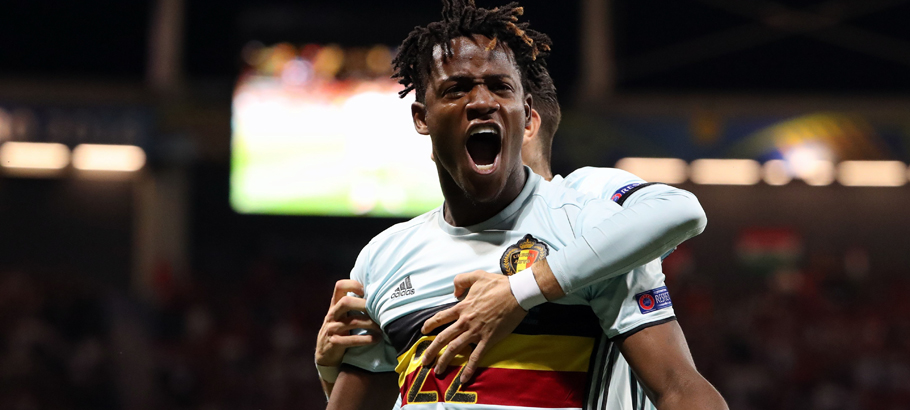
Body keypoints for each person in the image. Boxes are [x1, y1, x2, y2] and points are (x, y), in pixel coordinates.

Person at [322, 1, 727, 409]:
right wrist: (328, 372)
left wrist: (522, 291)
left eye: (500, 87)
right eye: (457, 88)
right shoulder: (381, 259)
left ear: (527, 114)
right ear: (422, 118)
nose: (482, 101)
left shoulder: (593, 228)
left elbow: (680, 390)